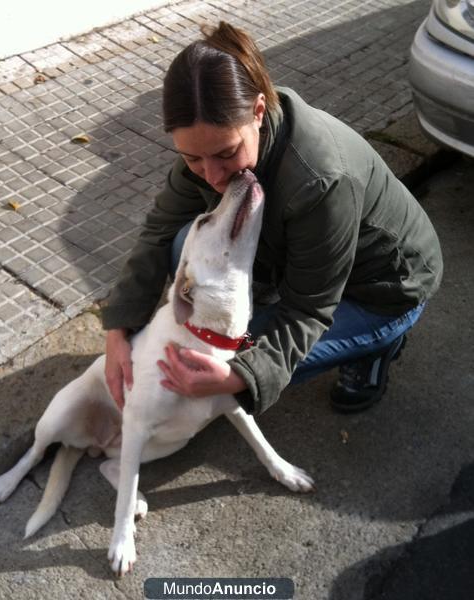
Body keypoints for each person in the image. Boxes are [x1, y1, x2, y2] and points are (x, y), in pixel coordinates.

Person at [101, 21, 443, 416]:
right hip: (309, 267)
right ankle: (269, 303)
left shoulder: (319, 180)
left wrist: (239, 377)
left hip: (382, 289)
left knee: (238, 361)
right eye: (192, 158)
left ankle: (380, 344)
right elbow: (158, 233)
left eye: (227, 153)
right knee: (183, 245)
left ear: (259, 112)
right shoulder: (210, 144)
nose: (212, 175)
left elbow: (310, 308)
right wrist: (119, 328)